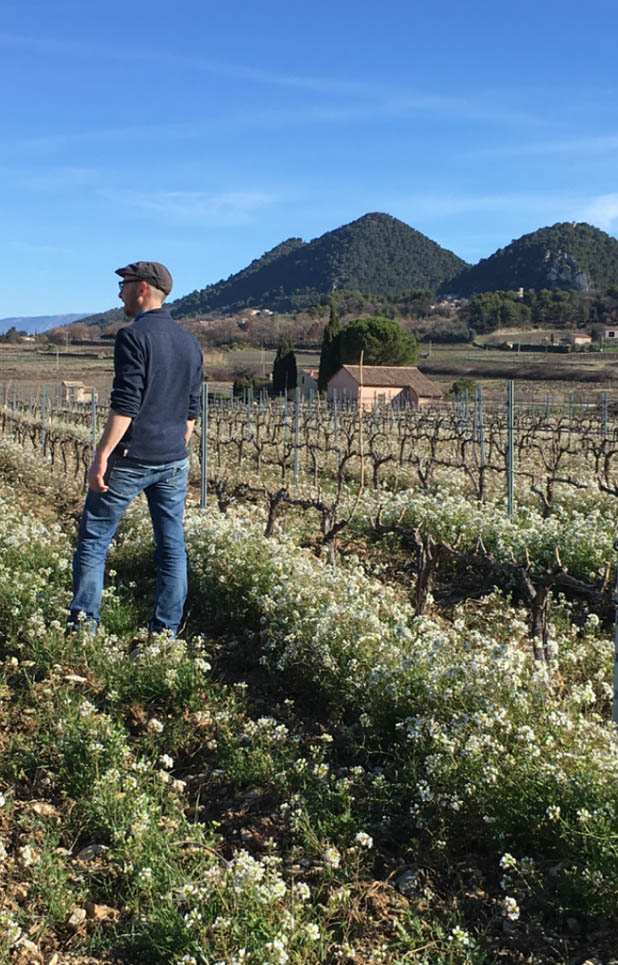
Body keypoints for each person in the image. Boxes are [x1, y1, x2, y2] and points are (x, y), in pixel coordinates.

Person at [68, 261, 203, 636]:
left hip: (131, 459)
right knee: (171, 547)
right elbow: (192, 410)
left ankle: (82, 630)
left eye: (124, 285)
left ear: (142, 288)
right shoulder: (190, 342)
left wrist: (101, 456)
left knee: (94, 542)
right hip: (174, 459)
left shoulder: (133, 336)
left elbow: (126, 404)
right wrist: (176, 445)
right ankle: (165, 634)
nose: (119, 292)